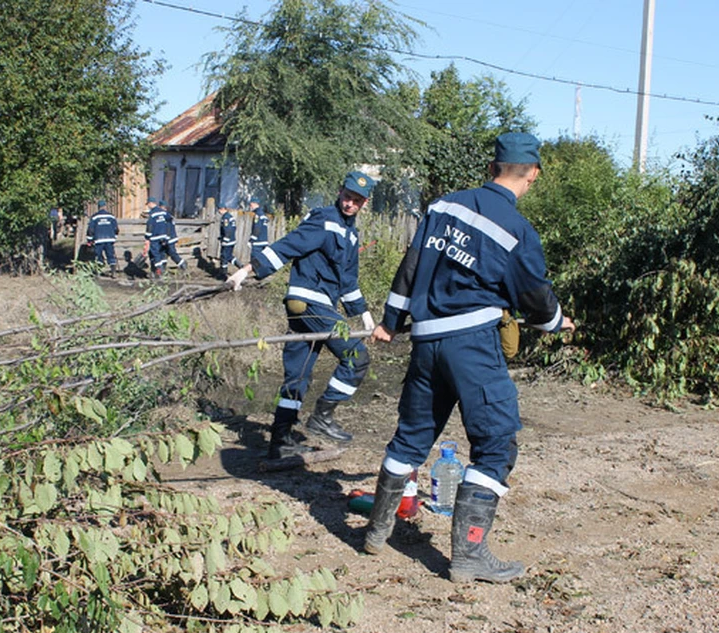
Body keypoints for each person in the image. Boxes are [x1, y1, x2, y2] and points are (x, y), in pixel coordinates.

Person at [364, 133, 575, 583]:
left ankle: (375, 534)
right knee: (497, 443)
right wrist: (556, 321)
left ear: (492, 166)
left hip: (425, 343)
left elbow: (411, 265)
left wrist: (391, 321)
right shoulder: (517, 231)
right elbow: (534, 297)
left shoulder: (443, 207)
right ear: (533, 173)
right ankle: (469, 556)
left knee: (410, 439)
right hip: (473, 346)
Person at [227, 171, 377, 459]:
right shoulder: (324, 219)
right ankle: (324, 414)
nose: (349, 204)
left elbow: (348, 281)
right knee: (357, 357)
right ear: (339, 192)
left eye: (356, 201)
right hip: (310, 303)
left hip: (315, 306)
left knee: (299, 374)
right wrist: (245, 272)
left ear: (365, 203)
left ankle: (281, 441)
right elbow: (287, 246)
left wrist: (365, 316)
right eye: (347, 197)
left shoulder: (350, 233)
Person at [86, 199, 119, 277]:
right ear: (105, 206)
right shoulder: (111, 216)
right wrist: (114, 237)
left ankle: (98, 272)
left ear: (98, 207)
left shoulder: (95, 217)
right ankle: (113, 271)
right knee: (110, 255)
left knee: (98, 255)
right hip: (109, 239)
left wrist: (89, 240)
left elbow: (90, 229)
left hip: (98, 239)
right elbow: (116, 229)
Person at [144, 197, 170, 279]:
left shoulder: (152, 214)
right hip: (164, 236)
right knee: (162, 254)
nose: (148, 206)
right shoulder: (163, 212)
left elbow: (150, 226)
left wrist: (147, 237)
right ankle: (160, 272)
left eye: (148, 204)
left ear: (151, 203)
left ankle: (159, 271)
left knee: (155, 254)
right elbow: (169, 223)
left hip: (155, 237)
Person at [162, 203, 188, 272]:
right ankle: (162, 268)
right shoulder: (168, 216)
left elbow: (167, 229)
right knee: (164, 253)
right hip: (169, 237)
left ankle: (182, 263)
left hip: (169, 238)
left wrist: (165, 238)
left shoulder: (165, 217)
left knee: (172, 252)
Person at [218, 206, 240, 276]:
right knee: (229, 256)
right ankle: (240, 266)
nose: (218, 211)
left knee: (224, 256)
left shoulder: (226, 218)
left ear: (222, 209)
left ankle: (223, 274)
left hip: (228, 241)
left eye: (219, 209)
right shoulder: (230, 216)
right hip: (232, 240)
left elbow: (228, 229)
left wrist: (225, 239)